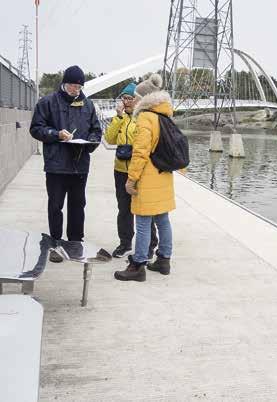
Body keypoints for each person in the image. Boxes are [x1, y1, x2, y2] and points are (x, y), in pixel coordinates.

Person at [30, 65, 102, 263]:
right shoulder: (47, 102)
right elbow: (36, 128)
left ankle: (75, 243)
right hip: (56, 165)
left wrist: (90, 143)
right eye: (72, 85)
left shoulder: (87, 105)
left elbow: (96, 130)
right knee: (55, 205)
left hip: (80, 165)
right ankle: (55, 243)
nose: (75, 90)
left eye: (79, 87)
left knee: (78, 205)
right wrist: (56, 134)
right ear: (64, 83)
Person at [114, 73, 175, 282]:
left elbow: (140, 153)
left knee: (141, 222)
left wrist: (131, 180)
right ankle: (164, 260)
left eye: (137, 96)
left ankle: (138, 265)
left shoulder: (145, 118)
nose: (135, 99)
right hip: (164, 176)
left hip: (147, 178)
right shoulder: (165, 115)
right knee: (163, 220)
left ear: (144, 98)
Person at [104, 83, 158, 258]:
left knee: (143, 209)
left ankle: (150, 245)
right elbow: (110, 139)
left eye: (130, 98)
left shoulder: (142, 118)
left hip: (140, 171)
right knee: (124, 209)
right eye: (124, 98)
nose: (126, 102)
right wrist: (118, 118)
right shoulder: (121, 118)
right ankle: (125, 242)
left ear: (138, 100)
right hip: (120, 169)